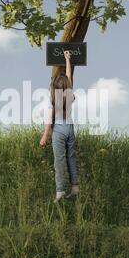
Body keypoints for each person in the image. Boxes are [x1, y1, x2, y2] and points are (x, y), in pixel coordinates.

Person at [40, 50, 79, 203]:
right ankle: (75, 188)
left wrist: (45, 136)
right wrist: (67, 60)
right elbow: (69, 77)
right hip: (70, 128)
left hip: (59, 131)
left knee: (59, 160)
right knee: (71, 158)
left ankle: (60, 192)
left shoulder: (53, 101)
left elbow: (49, 121)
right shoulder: (70, 94)